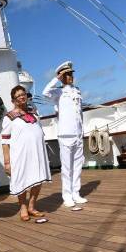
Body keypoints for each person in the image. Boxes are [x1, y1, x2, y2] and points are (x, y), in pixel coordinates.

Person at [1, 85, 52, 221]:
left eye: (23, 94)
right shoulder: (9, 117)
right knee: (21, 180)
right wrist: (7, 162)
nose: (22, 97)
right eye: (18, 95)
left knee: (38, 178)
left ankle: (31, 206)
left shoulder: (34, 113)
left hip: (37, 152)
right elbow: (5, 141)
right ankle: (23, 207)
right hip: (20, 155)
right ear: (13, 100)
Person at [42, 61, 87, 208]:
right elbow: (45, 92)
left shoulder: (77, 91)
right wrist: (56, 78)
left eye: (71, 74)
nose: (70, 77)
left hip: (78, 133)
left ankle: (76, 193)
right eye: (67, 75)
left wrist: (82, 131)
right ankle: (67, 195)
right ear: (62, 77)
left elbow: (79, 113)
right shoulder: (58, 92)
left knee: (78, 165)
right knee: (67, 168)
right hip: (66, 135)